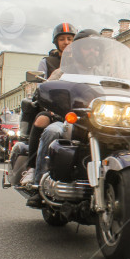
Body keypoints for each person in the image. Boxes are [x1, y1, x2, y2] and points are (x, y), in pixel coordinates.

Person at [24, 29, 99, 207]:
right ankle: (38, 182)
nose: (93, 52)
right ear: (78, 50)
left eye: (96, 48)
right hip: (67, 120)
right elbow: (44, 90)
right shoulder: (63, 71)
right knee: (51, 131)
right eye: (88, 48)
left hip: (99, 122)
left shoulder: (107, 73)